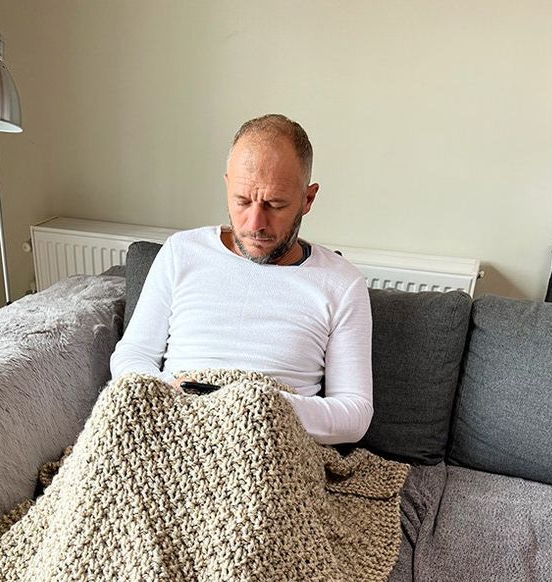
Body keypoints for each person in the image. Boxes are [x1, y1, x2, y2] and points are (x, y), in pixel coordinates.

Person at [109, 114, 373, 445]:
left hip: (271, 440)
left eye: (275, 204)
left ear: (307, 199)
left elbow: (355, 412)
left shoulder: (341, 283)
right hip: (174, 421)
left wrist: (260, 406)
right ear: (227, 185)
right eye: (242, 201)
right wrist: (171, 392)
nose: (255, 223)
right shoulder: (182, 252)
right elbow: (131, 354)